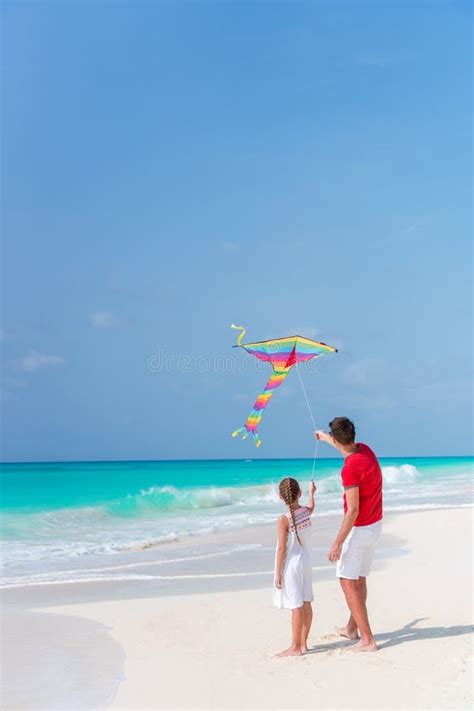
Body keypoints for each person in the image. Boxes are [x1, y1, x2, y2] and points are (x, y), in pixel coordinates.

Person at [315, 417, 383, 652]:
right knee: (359, 579)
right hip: (375, 527)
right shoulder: (365, 449)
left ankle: (368, 640)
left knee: (347, 581)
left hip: (360, 530)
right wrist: (325, 438)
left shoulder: (350, 469)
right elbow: (343, 446)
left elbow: (352, 510)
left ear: (337, 438)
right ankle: (351, 629)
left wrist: (337, 543)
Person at [273, 476, 316, 656]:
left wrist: (278, 573)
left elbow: (282, 549)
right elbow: (311, 507)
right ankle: (303, 643)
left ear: (281, 497)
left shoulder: (284, 519)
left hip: (292, 565)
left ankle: (295, 647)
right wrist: (312, 493)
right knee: (305, 602)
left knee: (296, 606)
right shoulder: (305, 512)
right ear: (299, 493)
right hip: (306, 561)